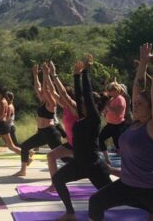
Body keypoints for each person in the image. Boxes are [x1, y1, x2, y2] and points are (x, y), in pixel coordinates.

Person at [88, 43, 153, 220]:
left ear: (152, 108)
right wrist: (143, 63)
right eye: (136, 103)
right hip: (127, 185)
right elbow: (136, 87)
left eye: (141, 104)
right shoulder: (135, 122)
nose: (136, 105)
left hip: (150, 190)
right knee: (95, 202)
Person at [52, 55, 112, 221]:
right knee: (58, 179)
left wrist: (86, 72)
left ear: (92, 106)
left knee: (115, 195)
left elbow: (85, 92)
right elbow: (80, 96)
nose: (82, 104)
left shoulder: (94, 119)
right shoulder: (82, 116)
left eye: (86, 103)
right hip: (79, 163)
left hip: (94, 166)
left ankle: (149, 206)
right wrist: (76, 75)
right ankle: (70, 213)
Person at [14, 63, 63, 177]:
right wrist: (35, 75)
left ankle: (82, 167)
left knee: (64, 158)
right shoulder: (43, 102)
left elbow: (46, 89)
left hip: (51, 133)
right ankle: (23, 170)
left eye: (45, 92)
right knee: (25, 146)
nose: (42, 92)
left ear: (49, 94)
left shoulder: (52, 103)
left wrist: (46, 75)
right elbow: (38, 88)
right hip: (41, 133)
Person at [44, 61, 78, 192]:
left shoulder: (75, 108)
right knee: (51, 156)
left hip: (81, 146)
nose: (60, 99)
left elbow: (62, 93)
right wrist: (47, 75)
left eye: (63, 97)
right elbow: (52, 91)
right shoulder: (65, 107)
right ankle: (54, 185)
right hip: (71, 144)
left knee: (101, 170)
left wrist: (54, 74)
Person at [99, 81, 127, 164]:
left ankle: (127, 163)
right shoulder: (112, 99)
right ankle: (107, 159)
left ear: (115, 90)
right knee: (101, 139)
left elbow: (118, 112)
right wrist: (105, 111)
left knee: (119, 146)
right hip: (110, 125)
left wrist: (108, 106)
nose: (108, 92)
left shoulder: (120, 99)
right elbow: (107, 110)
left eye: (110, 90)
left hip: (118, 126)